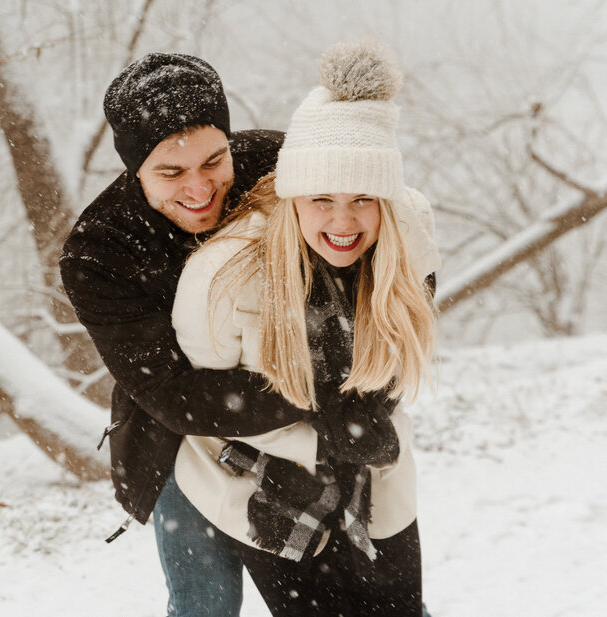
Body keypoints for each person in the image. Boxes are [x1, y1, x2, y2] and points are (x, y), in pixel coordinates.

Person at [60, 52, 426, 617]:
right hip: (179, 438)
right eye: (171, 172)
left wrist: (358, 396)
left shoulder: (278, 165)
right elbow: (172, 393)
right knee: (204, 603)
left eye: (214, 159)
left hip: (303, 414)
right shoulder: (99, 251)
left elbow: (379, 259)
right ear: (135, 169)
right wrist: (320, 409)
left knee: (378, 594)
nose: (201, 187)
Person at [171, 40, 440, 617]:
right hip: (264, 477)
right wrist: (316, 437)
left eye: (362, 199)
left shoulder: (408, 240)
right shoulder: (224, 274)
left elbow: (401, 348)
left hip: (373, 467)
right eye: (321, 199)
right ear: (292, 196)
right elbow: (206, 404)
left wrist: (367, 424)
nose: (342, 222)